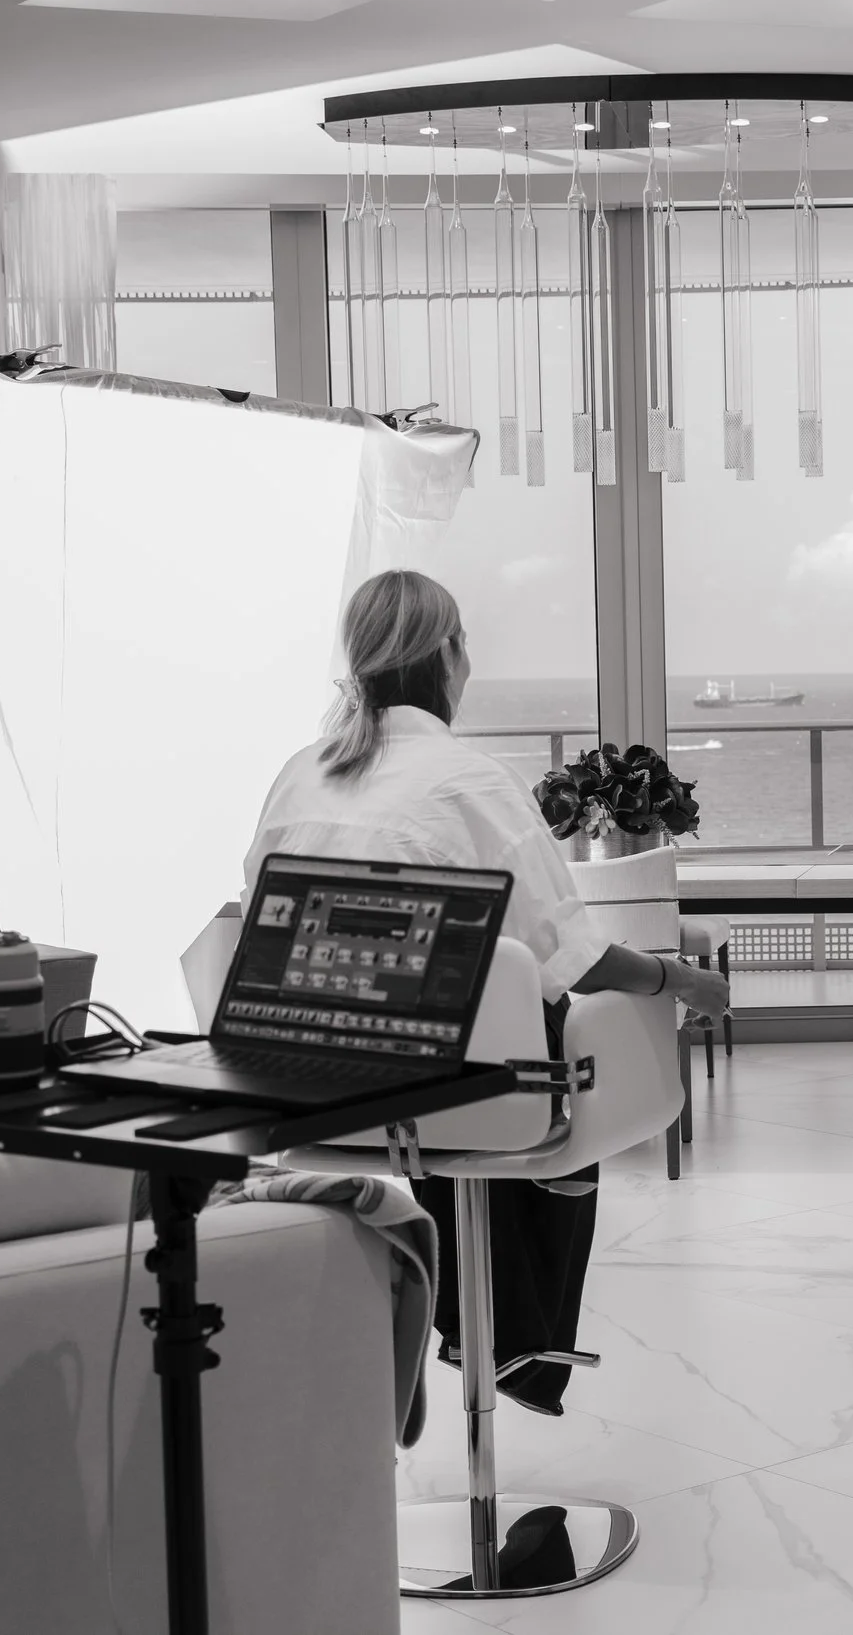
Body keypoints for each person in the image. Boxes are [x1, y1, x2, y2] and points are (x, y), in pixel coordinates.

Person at [243, 569, 728, 1414]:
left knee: (468, 999)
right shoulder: (470, 780)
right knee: (532, 1015)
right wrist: (681, 978)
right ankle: (517, 1335)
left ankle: (482, 1324)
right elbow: (577, 959)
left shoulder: (296, 775)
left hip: (306, 1092)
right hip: (453, 1100)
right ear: (449, 655)